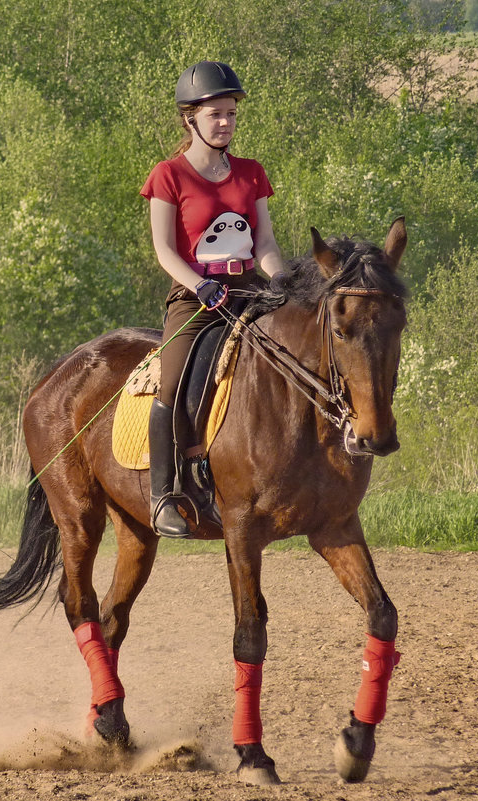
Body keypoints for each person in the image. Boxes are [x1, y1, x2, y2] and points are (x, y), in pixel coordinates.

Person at [140, 60, 284, 538]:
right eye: (215, 114)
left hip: (249, 289)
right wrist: (199, 284)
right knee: (174, 378)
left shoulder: (251, 173)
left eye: (231, 113)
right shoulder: (168, 176)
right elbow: (163, 248)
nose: (225, 122)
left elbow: (263, 243)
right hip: (194, 296)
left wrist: (282, 282)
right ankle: (167, 493)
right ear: (190, 119)